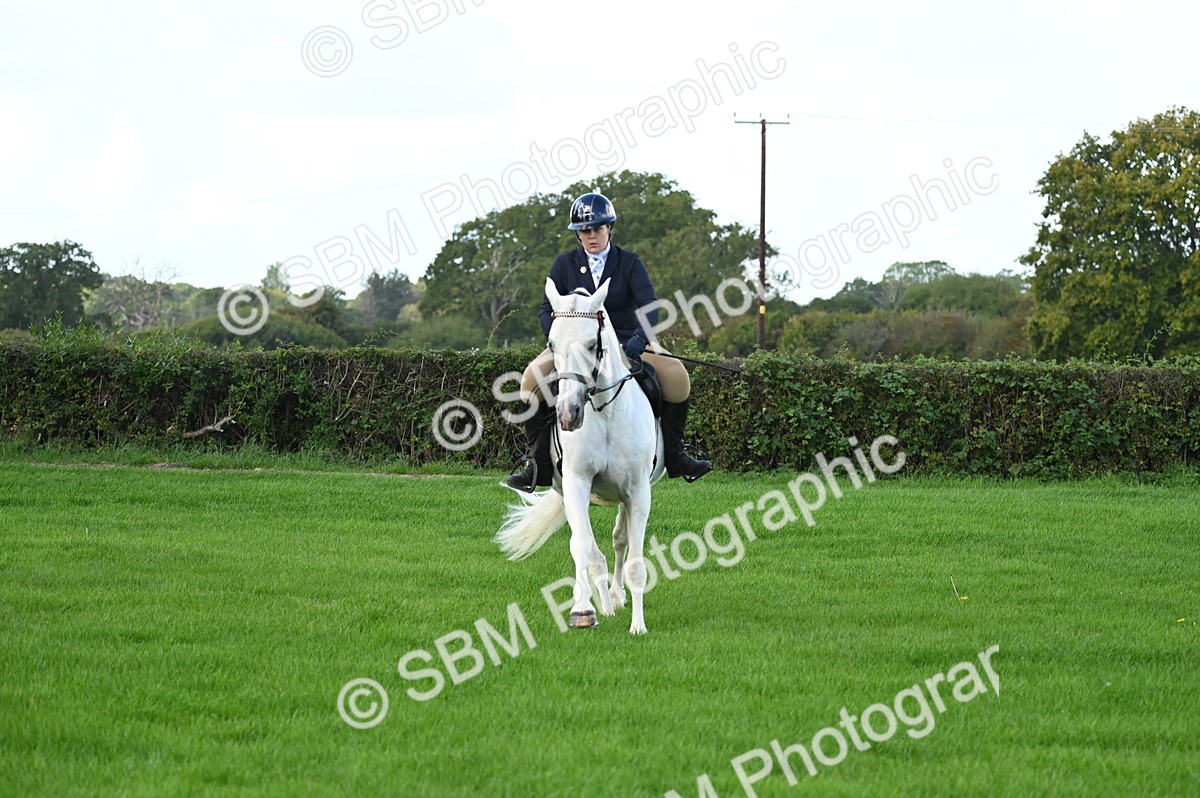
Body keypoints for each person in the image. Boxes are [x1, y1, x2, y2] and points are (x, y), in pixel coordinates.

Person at [506, 191, 712, 493]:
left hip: (626, 341)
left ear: (609, 229)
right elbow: (544, 309)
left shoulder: (628, 262)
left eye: (597, 229)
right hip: (575, 346)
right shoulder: (564, 265)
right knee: (529, 382)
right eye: (585, 230)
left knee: (676, 376)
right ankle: (538, 463)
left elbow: (649, 305)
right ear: (578, 234)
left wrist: (640, 340)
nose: (591, 235)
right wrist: (557, 339)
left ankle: (677, 455)